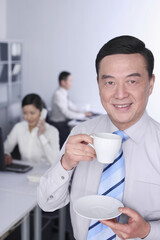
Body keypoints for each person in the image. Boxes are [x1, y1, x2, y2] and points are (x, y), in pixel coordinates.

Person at [37, 35, 160, 240]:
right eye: (110, 82)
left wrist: (148, 231)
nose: (120, 94)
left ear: (150, 84)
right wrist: (65, 164)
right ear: (98, 84)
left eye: (131, 81)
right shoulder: (80, 133)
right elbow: (47, 204)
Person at [4, 93, 60, 166]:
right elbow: (5, 149)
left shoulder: (52, 131)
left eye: (32, 113)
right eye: (25, 113)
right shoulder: (19, 127)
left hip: (45, 174)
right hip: (25, 172)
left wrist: (41, 136)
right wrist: (6, 156)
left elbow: (56, 162)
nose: (28, 117)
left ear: (42, 112)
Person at [50, 71, 93, 148]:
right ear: (63, 82)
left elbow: (72, 107)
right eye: (70, 80)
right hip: (58, 125)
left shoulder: (64, 93)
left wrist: (84, 112)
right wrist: (83, 115)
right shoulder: (58, 95)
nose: (71, 83)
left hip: (63, 123)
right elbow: (67, 113)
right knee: (68, 144)